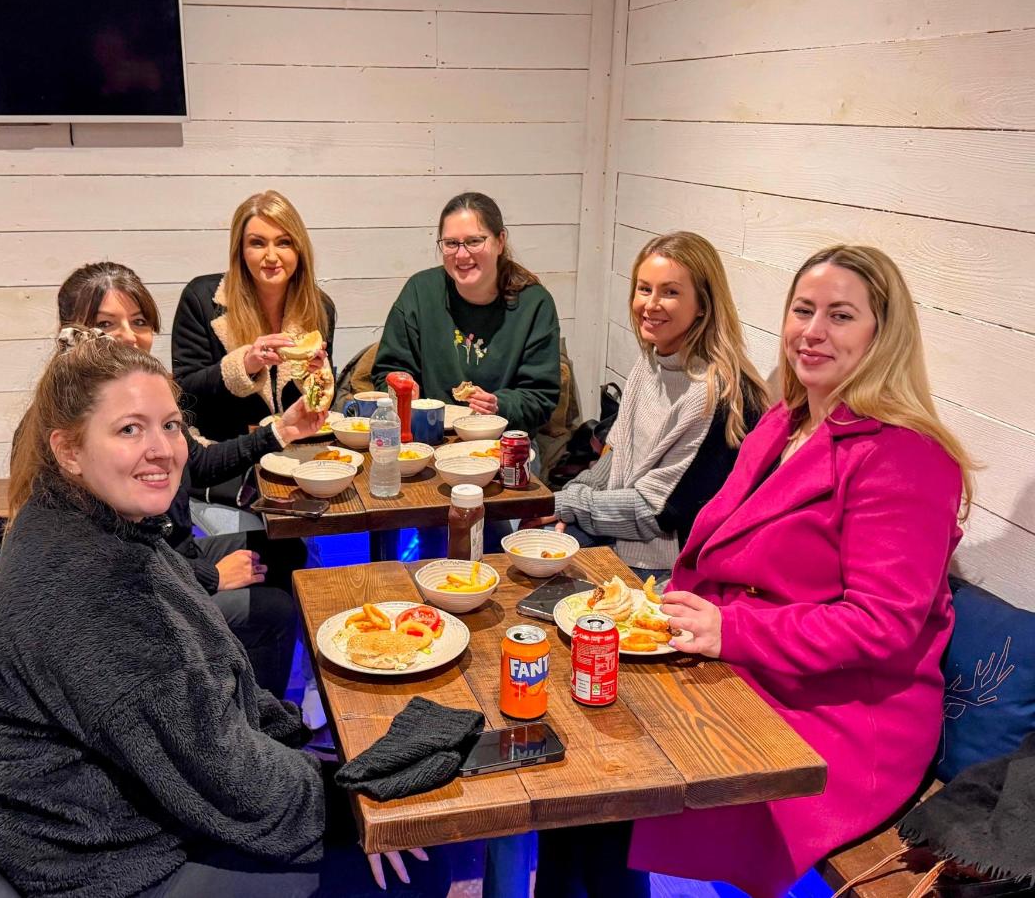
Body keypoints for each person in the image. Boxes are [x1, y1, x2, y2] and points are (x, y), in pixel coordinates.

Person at [0, 332, 448, 898]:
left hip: (121, 804)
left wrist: (303, 754)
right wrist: (350, 805)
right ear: (68, 451)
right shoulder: (97, 598)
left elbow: (212, 702)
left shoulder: (85, 522)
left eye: (170, 425)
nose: (163, 449)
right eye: (129, 429)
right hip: (101, 862)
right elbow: (220, 771)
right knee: (413, 863)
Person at [599, 246, 972, 898]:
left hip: (846, 713)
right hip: (756, 661)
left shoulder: (908, 455)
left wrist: (728, 629)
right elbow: (712, 549)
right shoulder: (785, 420)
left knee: (616, 779)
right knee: (596, 739)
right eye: (803, 310)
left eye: (841, 315)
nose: (813, 330)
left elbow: (879, 625)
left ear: (883, 335)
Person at [0, 262, 319, 698]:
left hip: (172, 553)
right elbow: (112, 569)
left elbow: (201, 465)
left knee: (283, 546)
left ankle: (243, 687)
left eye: (139, 321)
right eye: (105, 323)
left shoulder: (137, 395)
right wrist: (209, 577)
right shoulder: (66, 429)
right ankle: (247, 717)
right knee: (272, 610)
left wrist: (282, 431)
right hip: (138, 590)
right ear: (70, 332)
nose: (128, 335)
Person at [523, 232, 768, 583]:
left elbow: (655, 512)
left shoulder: (716, 394)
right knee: (521, 544)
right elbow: (616, 455)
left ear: (703, 304)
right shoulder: (651, 362)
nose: (651, 304)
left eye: (670, 292)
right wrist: (571, 497)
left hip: (668, 568)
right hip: (617, 532)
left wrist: (569, 505)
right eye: (644, 289)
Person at [372, 191, 561, 436]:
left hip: (503, 438)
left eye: (474, 241)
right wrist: (401, 387)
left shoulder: (534, 304)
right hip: (428, 433)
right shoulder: (420, 292)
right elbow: (387, 370)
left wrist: (499, 404)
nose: (461, 255)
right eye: (451, 243)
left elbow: (541, 396)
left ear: (500, 241)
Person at [173, 190, 337, 443]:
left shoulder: (319, 307)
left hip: (294, 451)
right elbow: (184, 393)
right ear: (240, 250)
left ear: (299, 249)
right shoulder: (201, 299)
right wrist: (245, 365)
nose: (271, 256)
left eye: (284, 242)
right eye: (257, 243)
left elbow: (318, 403)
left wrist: (314, 375)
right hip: (221, 453)